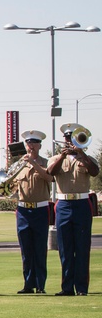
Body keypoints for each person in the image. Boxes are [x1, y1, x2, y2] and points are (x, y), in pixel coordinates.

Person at [0, 130, 53, 294]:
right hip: (23, 210)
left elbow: (49, 177)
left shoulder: (46, 162)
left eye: (34, 143)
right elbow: (11, 186)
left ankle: (40, 285)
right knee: (26, 250)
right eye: (28, 143)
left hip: (40, 209)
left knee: (39, 249)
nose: (31, 146)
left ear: (40, 145)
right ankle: (28, 284)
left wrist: (33, 163)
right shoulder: (19, 165)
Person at [48, 123, 98, 296]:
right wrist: (62, 157)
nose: (69, 141)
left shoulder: (85, 158)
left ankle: (82, 288)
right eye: (67, 138)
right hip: (63, 205)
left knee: (83, 248)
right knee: (65, 249)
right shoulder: (55, 158)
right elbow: (50, 173)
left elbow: (95, 171)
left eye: (72, 138)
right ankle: (67, 287)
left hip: (82, 204)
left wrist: (81, 153)